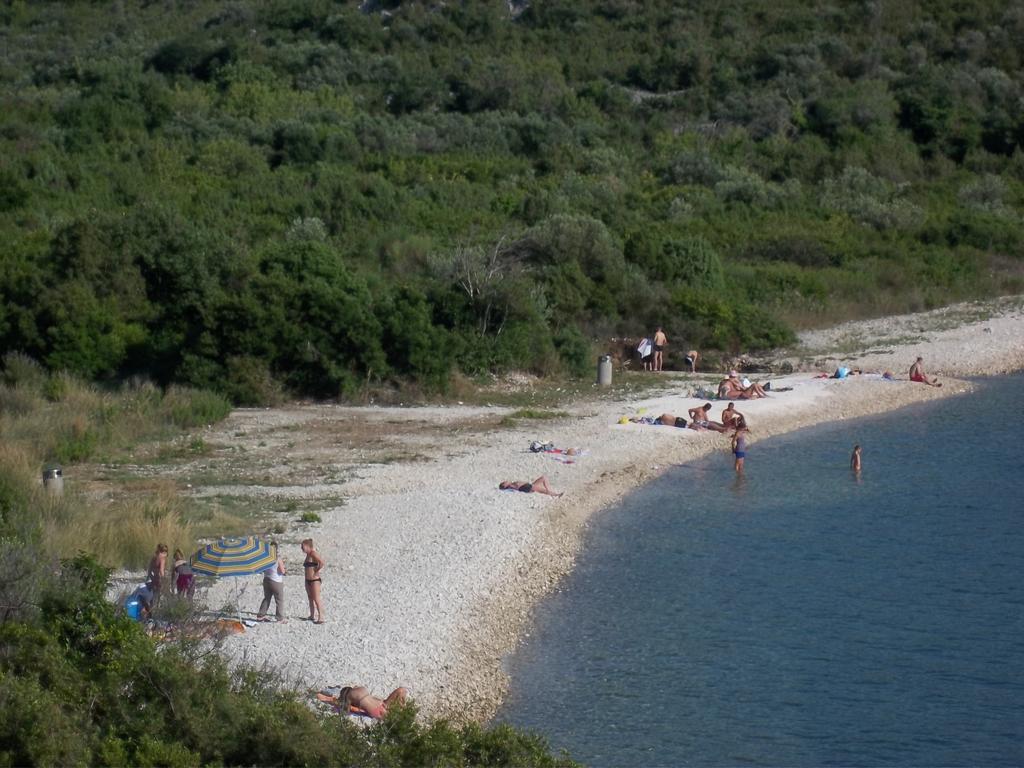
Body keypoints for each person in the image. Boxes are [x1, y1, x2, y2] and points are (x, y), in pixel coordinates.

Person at [317, 685, 408, 720]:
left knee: (389, 717)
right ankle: (404, 709)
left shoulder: (349, 697)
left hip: (375, 710)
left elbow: (347, 708)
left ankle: (401, 716)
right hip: (382, 703)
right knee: (401, 690)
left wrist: (329, 699)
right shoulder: (361, 688)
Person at [257, 545, 287, 623]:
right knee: (279, 600)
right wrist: (284, 568)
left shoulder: (265, 558)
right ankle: (280, 618)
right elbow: (282, 571)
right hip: (276, 581)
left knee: (267, 598)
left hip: (266, 579)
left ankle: (261, 615)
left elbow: (262, 569)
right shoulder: (277, 558)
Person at [301, 539, 325, 624]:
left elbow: (321, 562)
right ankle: (312, 615)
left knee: (316, 598)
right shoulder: (308, 555)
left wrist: (317, 570)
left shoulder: (313, 554)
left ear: (308, 546)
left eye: (303, 546)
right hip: (307, 580)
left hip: (314, 580)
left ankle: (321, 617)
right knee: (310, 598)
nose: (302, 548)